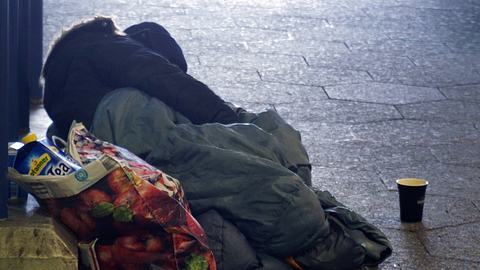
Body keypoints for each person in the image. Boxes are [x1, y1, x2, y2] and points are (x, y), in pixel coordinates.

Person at [42, 17, 392, 270]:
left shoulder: (68, 95)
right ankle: (322, 244)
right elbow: (167, 81)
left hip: (114, 147)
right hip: (128, 126)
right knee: (265, 166)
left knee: (240, 177)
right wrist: (227, 117)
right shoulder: (109, 44)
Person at [43, 16, 239, 139]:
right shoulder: (116, 47)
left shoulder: (77, 59)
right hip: (114, 119)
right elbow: (171, 81)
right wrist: (230, 121)